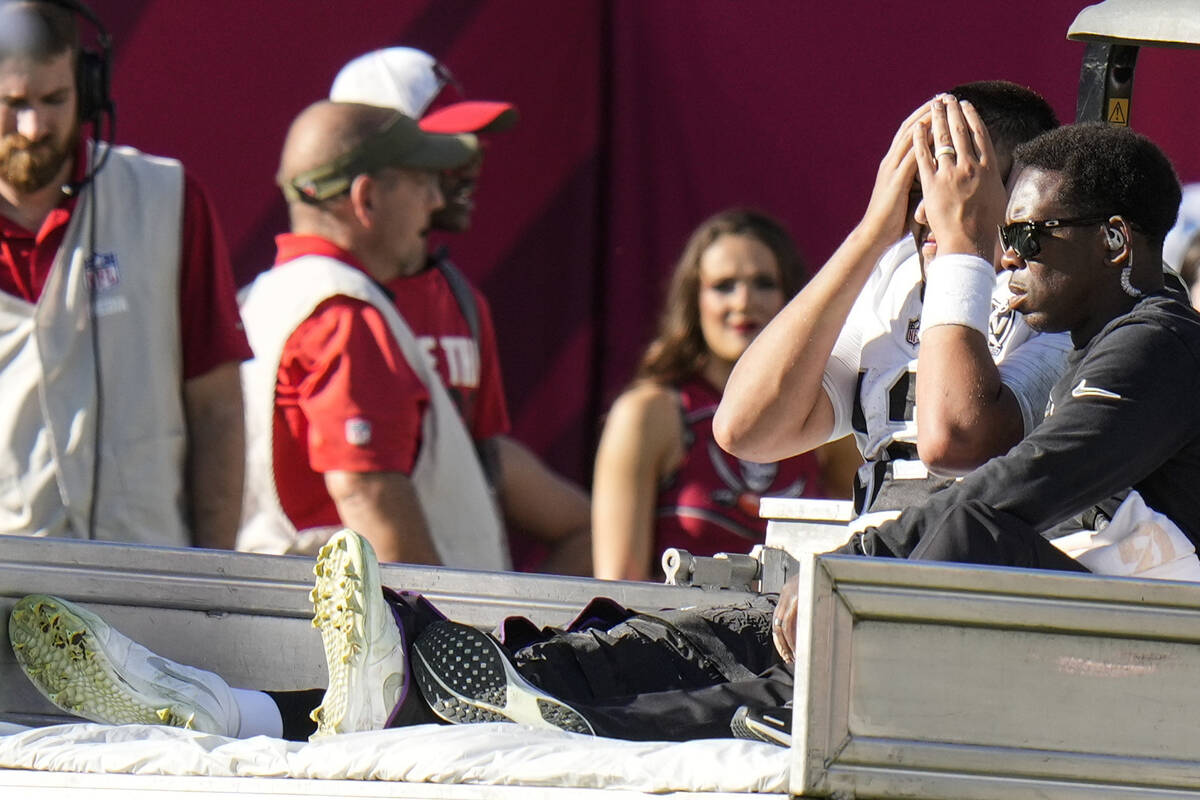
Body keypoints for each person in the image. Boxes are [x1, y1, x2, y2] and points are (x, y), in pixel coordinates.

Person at [714, 81, 1069, 527]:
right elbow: (746, 429)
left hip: (988, 570)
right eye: (918, 189)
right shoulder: (896, 277)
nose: (926, 214)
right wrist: (870, 235)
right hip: (876, 563)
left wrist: (964, 247)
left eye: (957, 187)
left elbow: (956, 440)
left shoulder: (1065, 293)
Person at [331, 47, 591, 576]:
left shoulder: (463, 302)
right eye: (443, 144)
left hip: (440, 623)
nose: (472, 160)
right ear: (374, 162)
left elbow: (479, 470)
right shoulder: (316, 299)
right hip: (332, 620)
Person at [0, 0, 248, 548]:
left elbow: (218, 408)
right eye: (12, 103)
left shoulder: (167, 198)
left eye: (54, 99)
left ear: (87, 88)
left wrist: (213, 583)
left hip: (148, 580)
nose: (34, 126)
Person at [235, 101, 508, 569]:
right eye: (421, 182)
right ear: (366, 200)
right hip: (370, 630)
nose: (436, 202)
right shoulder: (342, 312)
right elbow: (368, 495)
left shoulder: (260, 298)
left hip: (310, 615)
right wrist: (437, 631)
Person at [591, 208, 856, 581]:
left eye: (764, 282)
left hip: (793, 635)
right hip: (676, 633)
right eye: (723, 285)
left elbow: (865, 550)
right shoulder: (648, 413)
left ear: (791, 296)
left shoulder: (824, 409)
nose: (744, 302)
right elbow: (618, 583)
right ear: (693, 300)